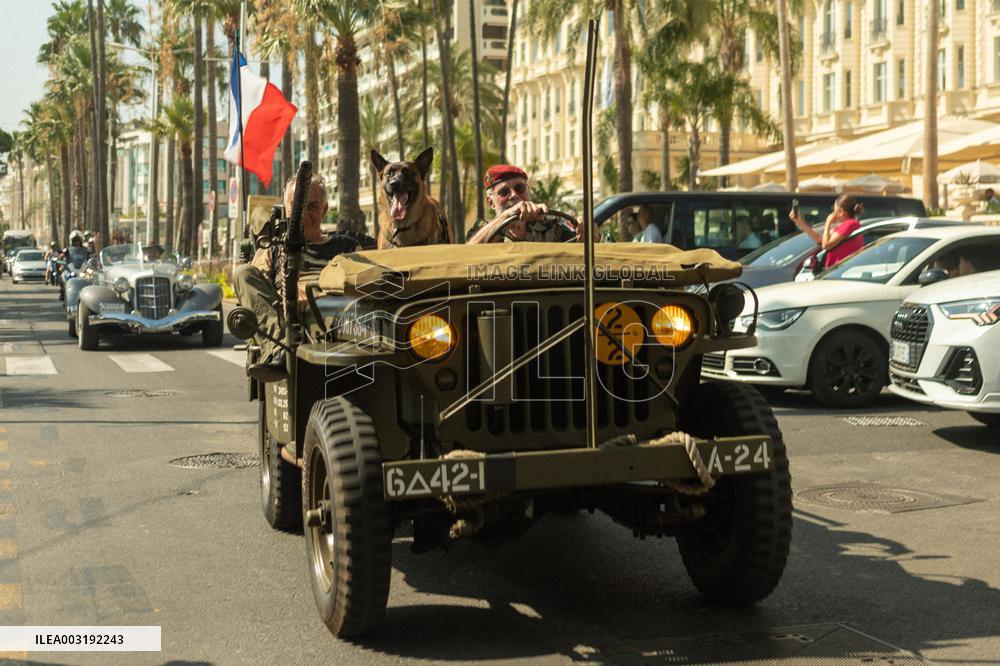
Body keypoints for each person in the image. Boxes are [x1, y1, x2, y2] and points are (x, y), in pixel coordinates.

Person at [233, 174, 361, 383]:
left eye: (311, 206)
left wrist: (315, 294)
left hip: (337, 328)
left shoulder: (346, 247)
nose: (302, 214)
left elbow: (359, 285)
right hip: (284, 323)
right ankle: (279, 350)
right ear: (285, 208)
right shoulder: (272, 250)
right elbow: (256, 295)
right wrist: (286, 295)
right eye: (296, 206)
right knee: (242, 273)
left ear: (324, 210)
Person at [467, 165, 578, 243]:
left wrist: (585, 232)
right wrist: (506, 216)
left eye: (520, 188)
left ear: (527, 191)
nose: (514, 195)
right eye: (504, 192)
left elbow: (579, 246)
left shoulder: (550, 227)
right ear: (491, 202)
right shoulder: (483, 229)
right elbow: (468, 254)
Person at [789, 194, 864, 269]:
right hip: (836, 270)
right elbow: (820, 239)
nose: (833, 213)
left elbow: (826, 245)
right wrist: (800, 222)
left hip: (840, 270)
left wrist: (828, 222)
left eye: (834, 210)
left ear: (841, 211)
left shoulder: (850, 224)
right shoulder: (845, 225)